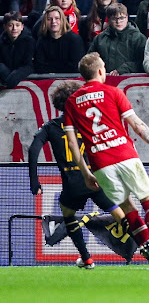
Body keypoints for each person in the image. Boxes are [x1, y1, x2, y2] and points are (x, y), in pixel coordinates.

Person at [63, 51, 149, 270]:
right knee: (148, 199)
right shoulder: (113, 92)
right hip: (124, 154)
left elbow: (73, 144)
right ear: (101, 71)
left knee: (126, 206)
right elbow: (137, 125)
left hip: (100, 164)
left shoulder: (71, 102)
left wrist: (86, 173)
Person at [27, 80, 120, 269]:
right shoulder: (89, 122)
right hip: (96, 180)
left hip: (72, 185)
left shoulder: (51, 126)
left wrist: (34, 180)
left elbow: (33, 149)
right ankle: (148, 245)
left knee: (68, 214)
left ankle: (86, 258)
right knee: (120, 214)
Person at [87, 3, 146, 75]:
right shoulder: (99, 38)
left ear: (127, 17)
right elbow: (90, 60)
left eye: (121, 18)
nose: (118, 22)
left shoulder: (138, 38)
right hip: (104, 79)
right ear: (108, 19)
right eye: (114, 18)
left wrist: (125, 69)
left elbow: (143, 62)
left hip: (130, 81)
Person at [33, 6, 86, 74]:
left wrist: (51, 68)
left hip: (71, 80)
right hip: (48, 80)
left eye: (57, 18)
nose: (53, 22)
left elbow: (76, 66)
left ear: (62, 20)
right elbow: (39, 66)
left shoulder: (74, 39)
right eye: (49, 19)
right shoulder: (41, 40)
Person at [0, 11, 34, 88]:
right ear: (4, 27)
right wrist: (6, 75)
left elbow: (28, 65)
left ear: (22, 27)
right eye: (10, 25)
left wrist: (14, 78)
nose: (14, 28)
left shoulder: (29, 41)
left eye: (17, 25)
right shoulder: (1, 42)